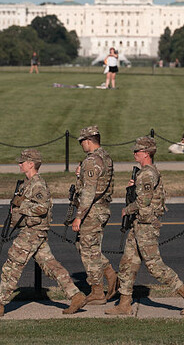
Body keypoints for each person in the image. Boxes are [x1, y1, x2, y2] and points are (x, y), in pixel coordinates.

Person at [0, 149, 88, 317]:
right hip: (32, 232)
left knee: (13, 265)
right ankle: (76, 295)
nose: (19, 164)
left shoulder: (37, 184)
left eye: (23, 162)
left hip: (32, 232)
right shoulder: (26, 183)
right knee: (51, 265)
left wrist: (22, 207)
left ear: (31, 164)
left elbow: (42, 208)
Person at [105, 137, 184, 316]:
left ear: (147, 153)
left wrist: (127, 209)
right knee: (128, 262)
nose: (135, 153)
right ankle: (125, 303)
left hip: (146, 225)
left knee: (154, 266)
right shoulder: (144, 173)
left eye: (138, 151)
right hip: (139, 223)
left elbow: (144, 201)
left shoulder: (147, 174)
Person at [71, 126, 117, 304]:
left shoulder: (92, 161)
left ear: (88, 141)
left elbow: (89, 192)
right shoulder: (105, 157)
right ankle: (111, 277)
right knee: (85, 246)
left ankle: (97, 290)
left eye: (82, 141)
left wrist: (79, 216)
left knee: (88, 251)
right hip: (101, 208)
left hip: (92, 210)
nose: (81, 145)